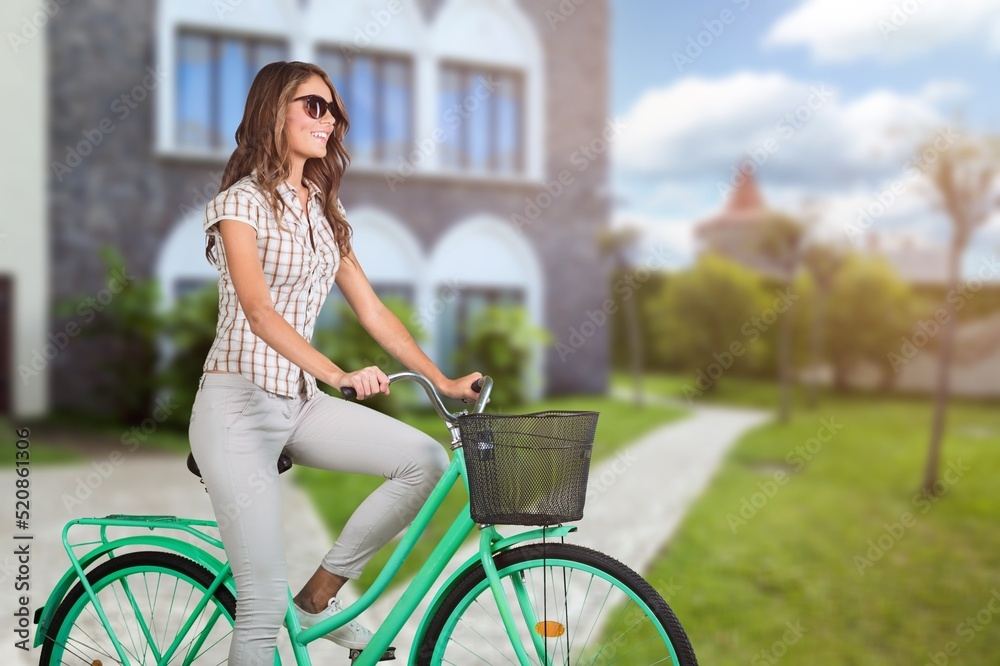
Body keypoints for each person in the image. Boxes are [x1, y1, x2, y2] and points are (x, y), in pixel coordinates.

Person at [187, 60, 483, 665]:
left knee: (423, 461)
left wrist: (443, 380)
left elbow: (374, 313)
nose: (329, 121)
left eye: (334, 111)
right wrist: (339, 374)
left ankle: (317, 599)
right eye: (313, 106)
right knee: (260, 605)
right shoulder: (238, 205)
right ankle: (284, 608)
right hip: (235, 407)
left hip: (298, 403)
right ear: (274, 111)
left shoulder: (323, 211)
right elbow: (260, 312)